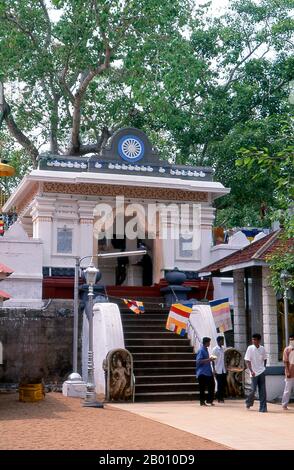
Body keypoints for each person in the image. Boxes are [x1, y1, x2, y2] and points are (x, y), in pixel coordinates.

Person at [244, 333, 267, 412]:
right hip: (253, 373)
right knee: (253, 390)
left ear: (259, 340)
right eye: (253, 339)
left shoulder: (262, 348)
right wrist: (251, 371)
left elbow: (265, 358)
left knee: (263, 390)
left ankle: (263, 408)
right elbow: (247, 360)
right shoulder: (250, 348)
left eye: (255, 339)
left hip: (261, 372)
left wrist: (264, 367)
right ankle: (248, 402)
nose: (253, 341)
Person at [196, 337, 215, 406]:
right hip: (202, 372)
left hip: (208, 372)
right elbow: (199, 361)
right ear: (206, 343)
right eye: (209, 342)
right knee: (202, 387)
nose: (209, 343)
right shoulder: (201, 350)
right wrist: (209, 360)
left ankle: (209, 400)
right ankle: (202, 401)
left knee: (212, 385)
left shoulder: (206, 350)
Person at [212, 336, 227, 402]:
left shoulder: (223, 349)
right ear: (218, 341)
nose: (223, 342)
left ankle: (221, 396)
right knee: (220, 384)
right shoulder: (215, 349)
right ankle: (219, 398)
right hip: (218, 369)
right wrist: (214, 369)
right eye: (222, 341)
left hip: (223, 369)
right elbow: (212, 360)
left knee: (223, 384)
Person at [281, 333, 294, 410]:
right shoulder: (287, 349)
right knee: (287, 389)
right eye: (290, 339)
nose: (291, 341)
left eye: (292, 339)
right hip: (290, 371)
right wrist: (287, 371)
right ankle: (284, 404)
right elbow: (285, 361)